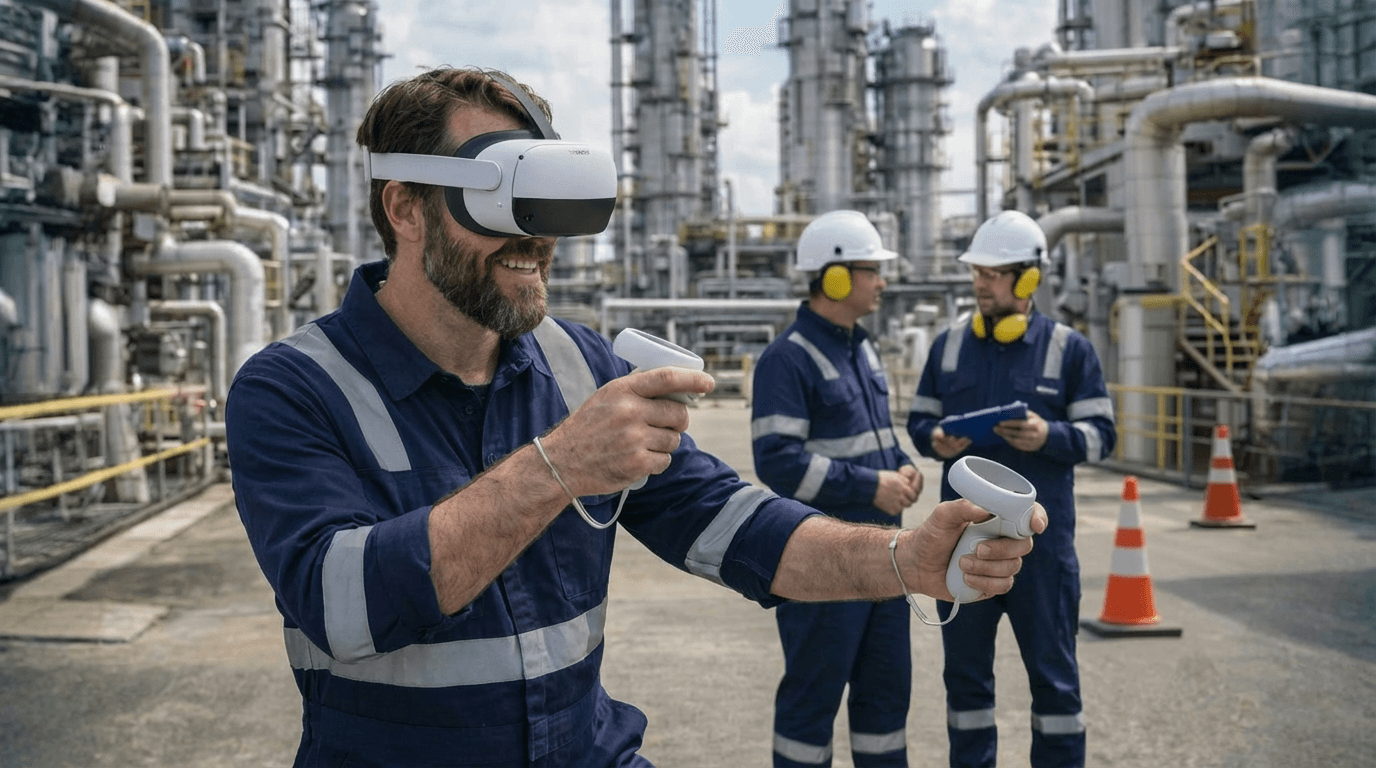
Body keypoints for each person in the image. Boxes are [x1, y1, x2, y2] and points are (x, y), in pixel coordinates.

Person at [225, 66, 1043, 768]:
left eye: (546, 206)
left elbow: (731, 525)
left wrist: (905, 561)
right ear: (404, 208)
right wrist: (555, 468)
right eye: (499, 201)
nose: (534, 239)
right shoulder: (293, 388)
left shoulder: (579, 366)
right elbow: (341, 611)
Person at [905, 210, 1116, 768]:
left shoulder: (1069, 348)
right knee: (965, 684)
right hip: (964, 545)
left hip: (1041, 552)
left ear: (1028, 279)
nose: (980, 283)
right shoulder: (948, 345)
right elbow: (919, 421)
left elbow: (1103, 437)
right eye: (977, 272)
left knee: (1055, 683)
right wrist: (936, 439)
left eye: (993, 274)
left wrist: (1050, 435)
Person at [750, 210, 925, 768]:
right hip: (821, 563)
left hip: (886, 559)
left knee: (886, 698)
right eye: (870, 270)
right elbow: (777, 463)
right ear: (834, 278)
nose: (881, 282)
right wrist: (872, 485)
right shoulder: (787, 360)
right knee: (812, 701)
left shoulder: (865, 348)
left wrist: (902, 466)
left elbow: (876, 437)